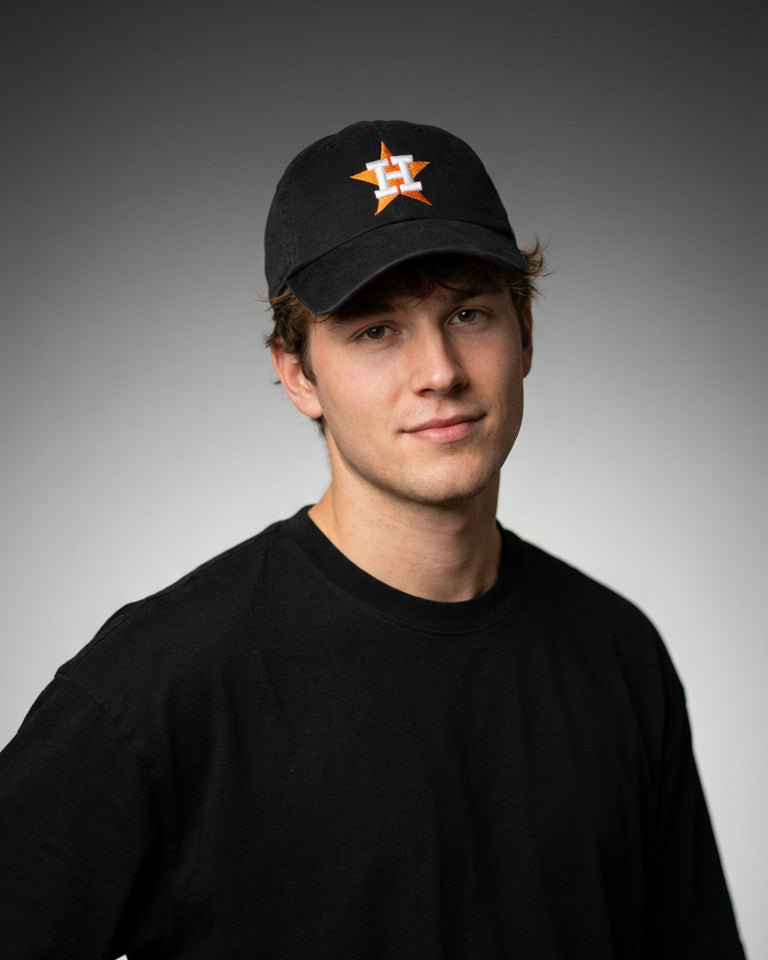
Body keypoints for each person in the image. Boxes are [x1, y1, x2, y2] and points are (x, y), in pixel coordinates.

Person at [0, 120, 745, 959]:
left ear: (526, 336)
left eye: (469, 313)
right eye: (375, 330)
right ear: (298, 374)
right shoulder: (160, 685)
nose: (439, 371)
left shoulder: (616, 654)